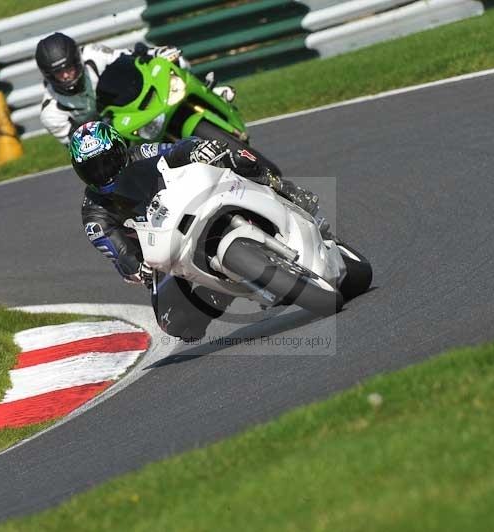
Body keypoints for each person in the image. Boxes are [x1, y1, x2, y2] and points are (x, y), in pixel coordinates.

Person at [70, 120, 323, 340]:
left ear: (120, 150)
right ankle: (222, 289)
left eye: (108, 162)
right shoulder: (94, 213)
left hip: (191, 204)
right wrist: (138, 268)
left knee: (227, 155)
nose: (105, 173)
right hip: (167, 252)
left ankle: (283, 188)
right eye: (94, 169)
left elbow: (176, 149)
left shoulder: (141, 153)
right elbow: (119, 251)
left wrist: (196, 149)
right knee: (174, 322)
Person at [36, 32, 236, 144]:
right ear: (48, 75)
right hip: (108, 136)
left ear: (76, 61)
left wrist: (156, 52)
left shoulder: (93, 55)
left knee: (176, 61)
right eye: (58, 73)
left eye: (68, 68)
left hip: (128, 105)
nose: (65, 75)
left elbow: (129, 57)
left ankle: (207, 91)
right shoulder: (52, 112)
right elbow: (77, 146)